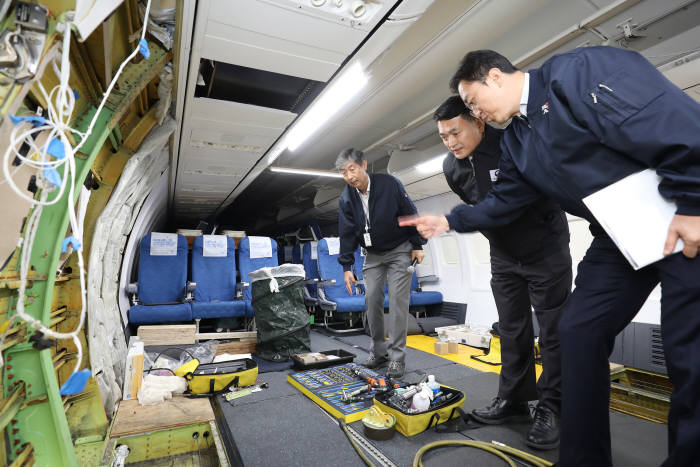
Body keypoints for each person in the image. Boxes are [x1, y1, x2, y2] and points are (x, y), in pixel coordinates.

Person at [401, 47, 700, 466]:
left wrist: (693, 202)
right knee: (577, 332)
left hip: (683, 216)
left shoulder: (578, 74)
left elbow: (675, 122)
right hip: (621, 235)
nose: (477, 114)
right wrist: (452, 222)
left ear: (495, 77)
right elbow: (505, 201)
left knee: (688, 353)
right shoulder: (519, 141)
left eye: (473, 103)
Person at [434, 95, 572, 449]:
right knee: (512, 329)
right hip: (503, 255)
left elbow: (531, 197)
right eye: (443, 137)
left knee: (553, 333)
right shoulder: (453, 169)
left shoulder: (516, 143)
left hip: (545, 248)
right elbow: (479, 208)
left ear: (478, 123)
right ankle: (513, 400)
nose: (450, 142)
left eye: (455, 132)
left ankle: (552, 407)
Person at [337, 148, 425, 378]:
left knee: (397, 301)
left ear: (364, 165)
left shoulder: (389, 184)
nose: (349, 176)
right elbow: (346, 234)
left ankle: (397, 358)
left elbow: (409, 212)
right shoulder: (346, 198)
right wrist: (346, 267)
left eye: (352, 169)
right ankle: (378, 352)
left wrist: (417, 244)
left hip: (399, 250)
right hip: (373, 254)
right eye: (343, 172)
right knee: (372, 298)